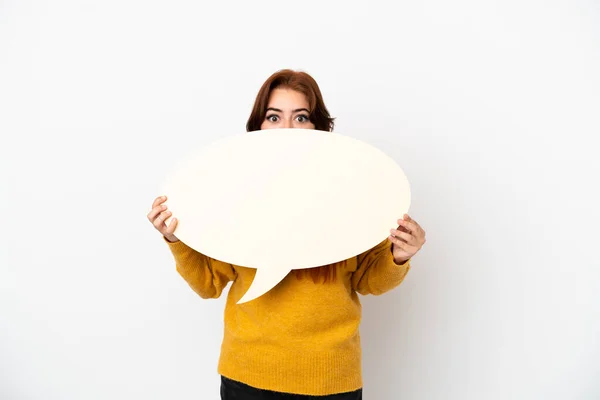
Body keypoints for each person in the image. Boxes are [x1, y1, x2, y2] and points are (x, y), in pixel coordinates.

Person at [147, 69, 426, 399]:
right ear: (259, 128)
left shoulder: (351, 192)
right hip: (248, 378)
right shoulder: (237, 197)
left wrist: (399, 255)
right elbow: (209, 284)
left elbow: (368, 280)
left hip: (331, 380)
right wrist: (176, 238)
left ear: (319, 128)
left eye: (302, 117)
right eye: (274, 117)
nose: (288, 129)